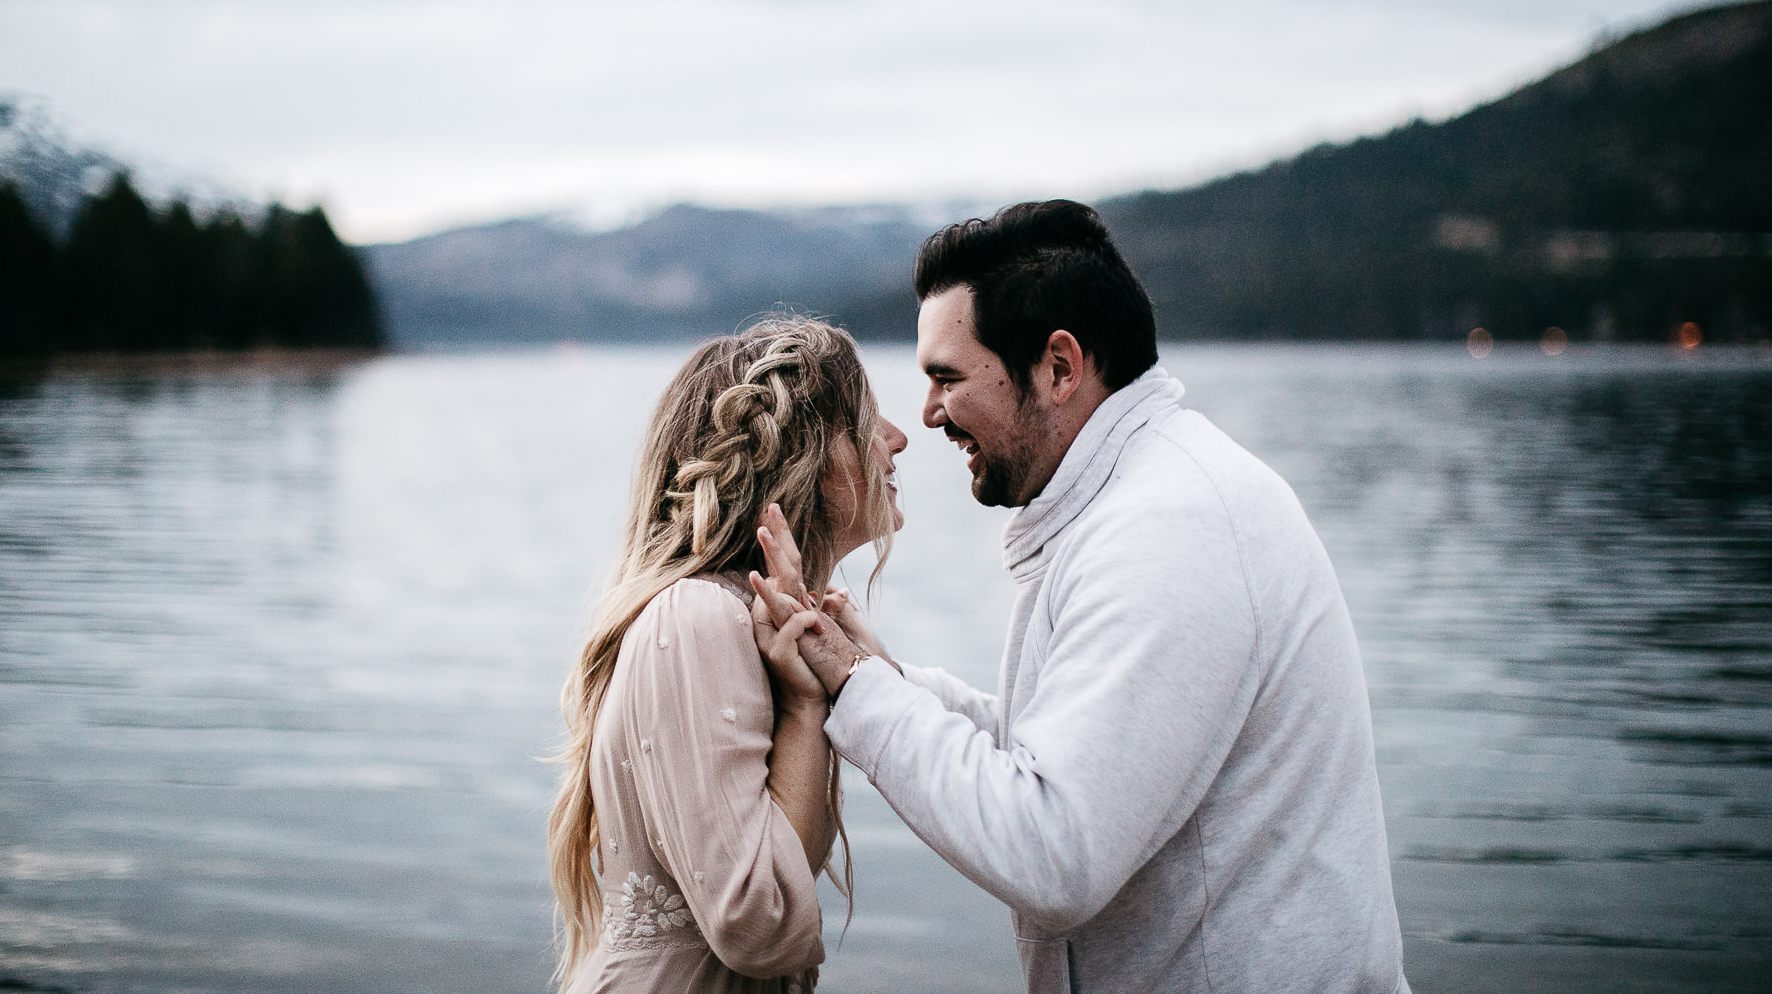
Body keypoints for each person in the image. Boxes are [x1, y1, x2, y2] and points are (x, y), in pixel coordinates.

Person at [754, 200, 1410, 994]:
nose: (926, 416)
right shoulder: (1137, 501)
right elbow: (1060, 754)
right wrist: (878, 676)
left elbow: (1053, 854)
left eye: (947, 378)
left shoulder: (1172, 528)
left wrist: (856, 688)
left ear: (1060, 368)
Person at [547, 316, 908, 993]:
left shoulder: (745, 621)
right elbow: (757, 924)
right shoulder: (697, 618)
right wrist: (804, 711)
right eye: (865, 420)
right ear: (800, 457)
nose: (896, 439)